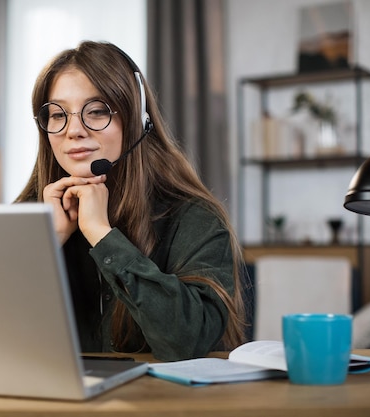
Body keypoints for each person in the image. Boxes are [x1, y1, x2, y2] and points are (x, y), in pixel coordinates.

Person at [15, 41, 246, 361]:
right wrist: (47, 242)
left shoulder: (193, 217)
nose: (74, 131)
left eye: (95, 111)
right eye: (57, 115)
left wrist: (102, 235)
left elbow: (188, 342)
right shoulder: (27, 216)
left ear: (136, 119)